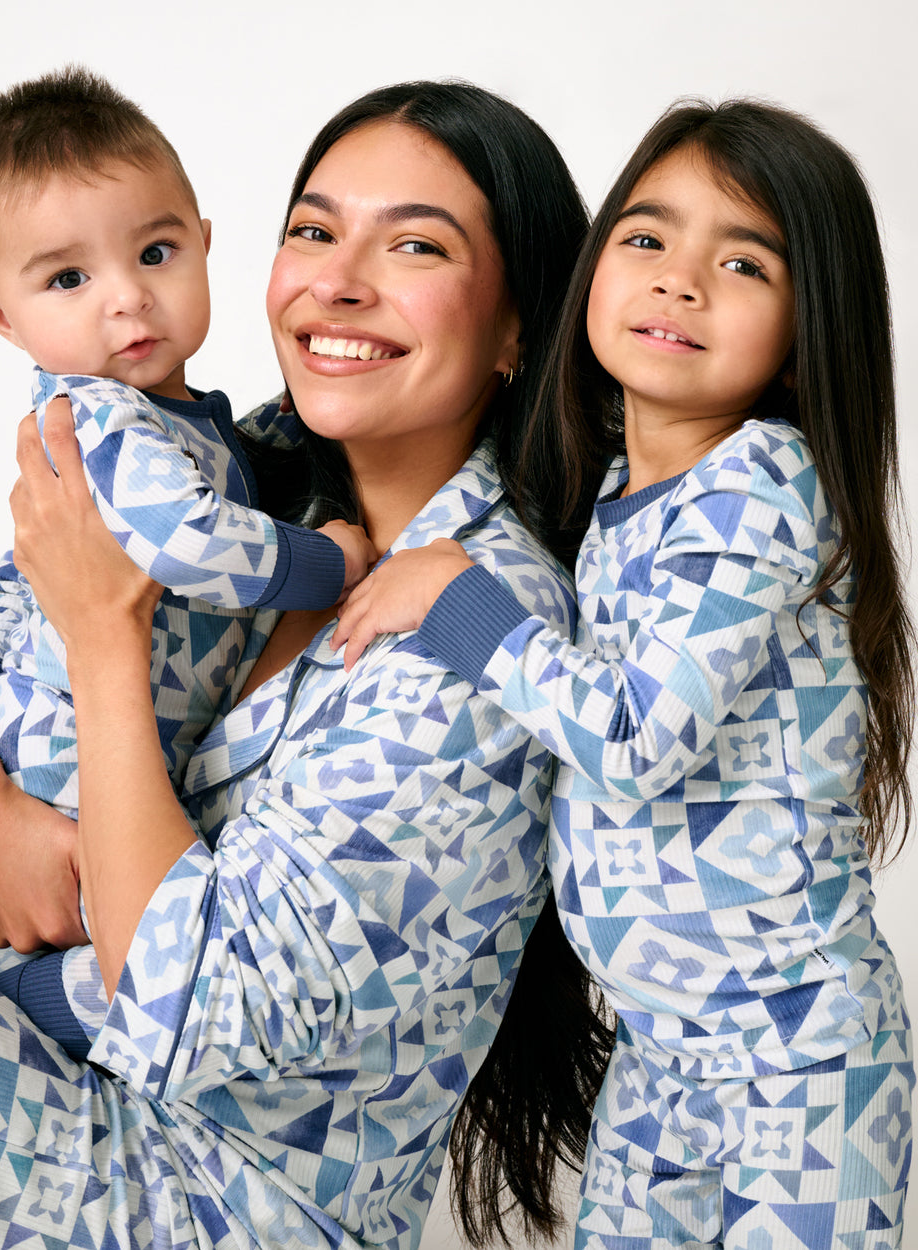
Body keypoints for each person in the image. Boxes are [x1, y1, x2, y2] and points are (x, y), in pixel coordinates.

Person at [0, 81, 610, 1249]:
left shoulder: (485, 632)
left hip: (203, 1189)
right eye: (314, 228)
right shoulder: (258, 463)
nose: (338, 279)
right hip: (55, 1040)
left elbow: (189, 1011)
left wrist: (101, 642)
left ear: (518, 326)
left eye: (414, 245)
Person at [333, 98, 916, 1247]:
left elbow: (637, 739)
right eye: (645, 239)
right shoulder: (616, 496)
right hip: (665, 1050)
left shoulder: (763, 484)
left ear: (807, 339)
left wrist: (460, 600)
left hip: (795, 1062)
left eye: (741, 261)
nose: (679, 280)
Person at [0, 65, 372, 822]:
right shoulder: (102, 419)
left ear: (203, 245)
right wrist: (331, 563)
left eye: (155, 253)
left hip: (144, 755)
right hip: (68, 759)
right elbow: (190, 542)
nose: (128, 296)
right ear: (1, 319)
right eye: (69, 277)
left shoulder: (171, 414)